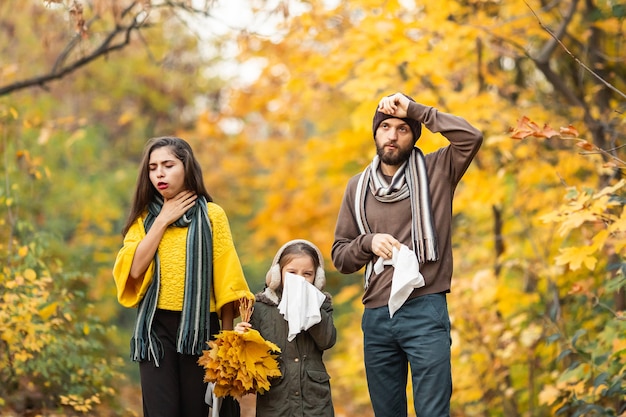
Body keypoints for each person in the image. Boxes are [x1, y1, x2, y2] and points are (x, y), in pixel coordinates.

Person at [331, 93, 483, 417]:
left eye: (403, 128)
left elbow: (472, 137)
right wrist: (367, 243)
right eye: (385, 126)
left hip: (426, 309)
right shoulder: (357, 187)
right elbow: (340, 256)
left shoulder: (438, 169)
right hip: (376, 315)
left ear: (414, 135)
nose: (392, 134)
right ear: (375, 133)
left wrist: (416, 110)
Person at [112, 136, 254, 417]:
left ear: (186, 167)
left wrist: (225, 344)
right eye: (153, 168)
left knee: (199, 410)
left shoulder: (213, 216)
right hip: (155, 330)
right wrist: (163, 219)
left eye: (168, 165)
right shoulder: (144, 219)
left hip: (203, 330)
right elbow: (135, 268)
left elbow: (226, 282)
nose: (159, 174)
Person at [235, 239, 337, 417]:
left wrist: (311, 307)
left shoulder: (322, 304)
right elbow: (250, 356)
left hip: (314, 403)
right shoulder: (260, 307)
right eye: (292, 272)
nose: (299, 279)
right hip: (276, 402)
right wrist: (241, 337)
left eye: (307, 274)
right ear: (277, 274)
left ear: (317, 278)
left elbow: (326, 341)